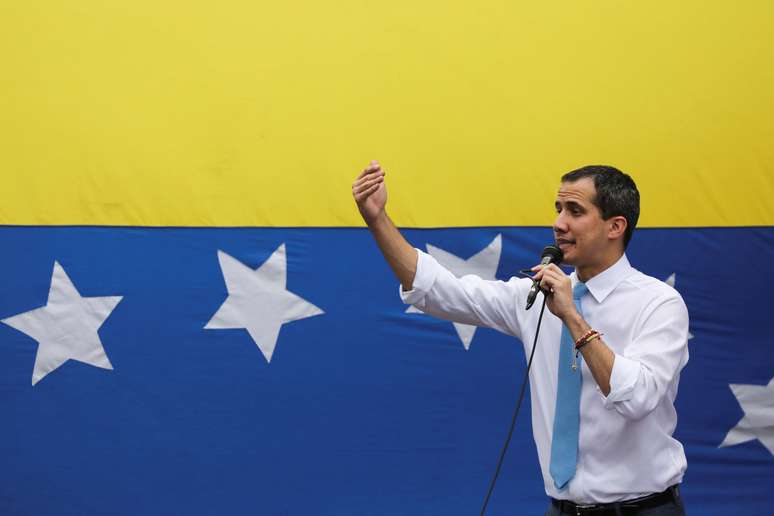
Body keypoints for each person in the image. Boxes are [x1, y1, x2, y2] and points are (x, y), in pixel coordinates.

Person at [352, 161, 689, 515]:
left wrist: (572, 317)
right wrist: (377, 219)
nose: (559, 224)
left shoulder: (658, 303)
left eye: (575, 211)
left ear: (615, 226)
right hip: (562, 509)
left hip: (643, 509)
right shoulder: (536, 296)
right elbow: (437, 290)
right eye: (558, 209)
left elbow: (636, 398)